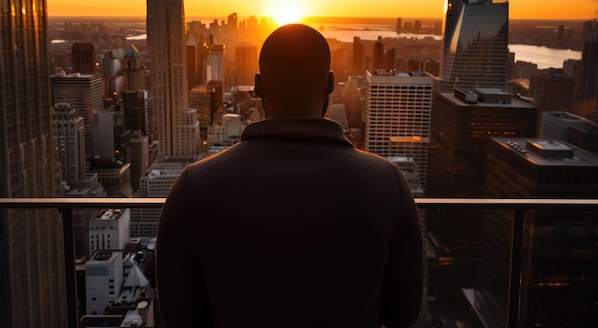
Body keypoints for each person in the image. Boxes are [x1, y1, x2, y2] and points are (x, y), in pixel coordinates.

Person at [156, 24, 424, 328]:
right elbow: (402, 313)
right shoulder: (387, 184)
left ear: (257, 86)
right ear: (330, 84)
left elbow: (181, 318)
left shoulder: (194, 189)